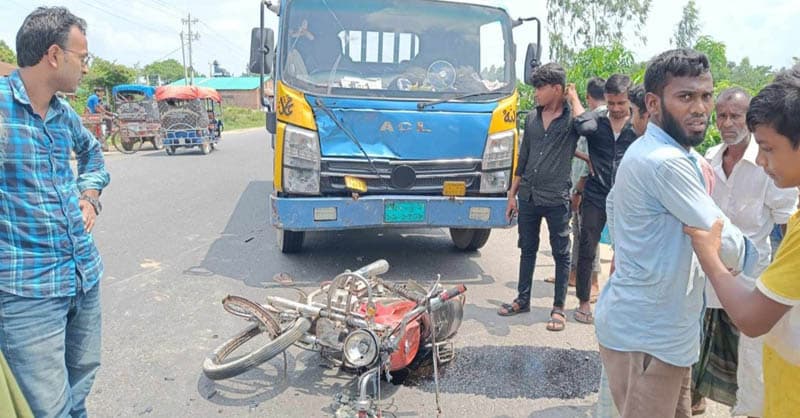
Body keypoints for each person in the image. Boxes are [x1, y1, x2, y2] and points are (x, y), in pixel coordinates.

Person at [595, 48, 757, 418]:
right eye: (685, 97)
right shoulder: (665, 163)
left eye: (705, 96)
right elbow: (724, 242)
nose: (700, 108)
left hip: (669, 336)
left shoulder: (667, 154)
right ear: (653, 103)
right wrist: (759, 258)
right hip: (647, 340)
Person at [0, 7, 110, 417]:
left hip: (83, 275)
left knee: (79, 386)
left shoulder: (64, 115)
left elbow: (93, 156)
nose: (85, 67)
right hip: (27, 294)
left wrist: (90, 196)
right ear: (53, 55)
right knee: (48, 408)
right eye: (82, 57)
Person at [685, 64, 800, 418]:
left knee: (750, 363)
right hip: (727, 287)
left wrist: (708, 255)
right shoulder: (709, 159)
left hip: (755, 283)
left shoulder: (785, 197)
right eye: (723, 116)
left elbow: (753, 317)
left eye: (768, 148)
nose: (763, 161)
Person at [498, 63, 581, 333]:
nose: (535, 94)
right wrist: (512, 195)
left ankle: (559, 307)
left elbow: (590, 125)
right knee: (528, 249)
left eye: (540, 88)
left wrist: (575, 99)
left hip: (556, 198)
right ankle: (522, 300)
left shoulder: (572, 121)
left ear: (557, 89)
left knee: (561, 252)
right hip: (529, 195)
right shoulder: (532, 118)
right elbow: (523, 158)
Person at [571, 74, 639, 324]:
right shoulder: (596, 123)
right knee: (587, 247)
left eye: (621, 103)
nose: (616, 109)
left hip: (628, 197)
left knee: (628, 251)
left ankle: (623, 303)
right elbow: (577, 124)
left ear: (629, 100)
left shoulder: (639, 128)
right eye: (611, 104)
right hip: (597, 193)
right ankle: (584, 301)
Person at [544, 77, 604, 301]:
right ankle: (573, 275)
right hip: (580, 184)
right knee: (579, 233)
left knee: (589, 234)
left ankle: (594, 282)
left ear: (588, 97)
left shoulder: (599, 116)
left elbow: (585, 125)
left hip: (590, 186)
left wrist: (574, 99)